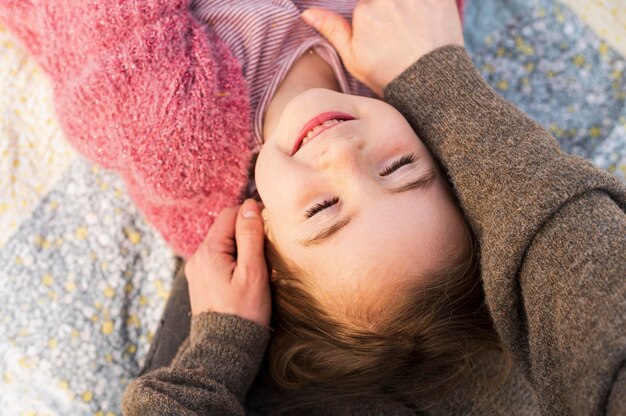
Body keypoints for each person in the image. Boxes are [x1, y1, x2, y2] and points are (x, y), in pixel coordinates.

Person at [121, 1, 626, 415]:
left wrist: (219, 349)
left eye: (323, 208)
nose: (342, 155)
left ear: (265, 243)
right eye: (400, 167)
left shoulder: (178, 139)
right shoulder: (391, 64)